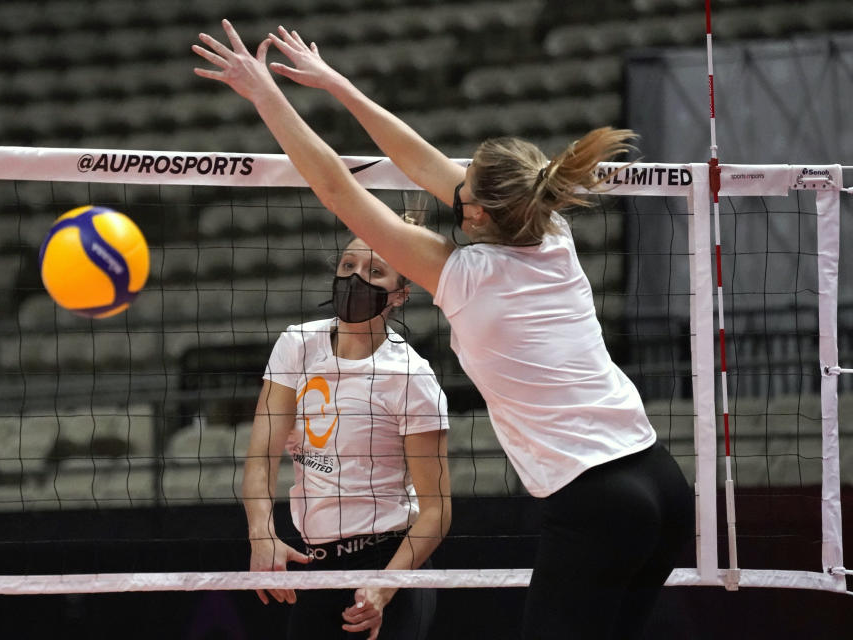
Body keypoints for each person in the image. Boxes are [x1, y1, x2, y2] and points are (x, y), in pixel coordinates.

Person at [193, 20, 694, 640]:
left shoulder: (465, 274)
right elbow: (417, 158)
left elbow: (333, 184)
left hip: (597, 502)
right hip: (662, 481)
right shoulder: (552, 233)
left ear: (476, 210)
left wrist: (265, 94)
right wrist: (334, 84)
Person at [241, 230, 451, 640]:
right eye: (348, 266)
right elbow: (261, 457)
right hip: (316, 566)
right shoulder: (297, 344)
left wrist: (383, 587)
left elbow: (436, 512)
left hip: (391, 561)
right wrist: (261, 534)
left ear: (400, 294)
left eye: (375, 272)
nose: (356, 279)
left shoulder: (410, 376)